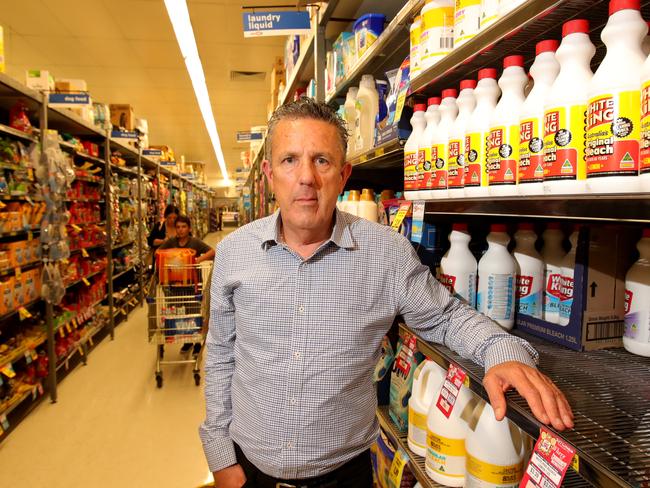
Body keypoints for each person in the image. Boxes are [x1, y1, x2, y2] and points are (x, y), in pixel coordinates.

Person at [200, 98, 574, 488]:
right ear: (269, 173)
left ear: (343, 175)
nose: (306, 177)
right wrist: (222, 460)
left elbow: (446, 316)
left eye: (322, 161)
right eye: (290, 160)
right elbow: (221, 358)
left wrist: (501, 353)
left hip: (344, 477)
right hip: (247, 470)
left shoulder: (386, 253)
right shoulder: (233, 252)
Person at [158, 215, 215, 354]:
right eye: (178, 227)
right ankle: (186, 340)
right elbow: (157, 253)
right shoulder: (171, 242)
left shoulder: (194, 242)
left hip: (192, 285)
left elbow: (213, 251)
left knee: (193, 311)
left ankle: (195, 341)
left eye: (184, 227)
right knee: (179, 312)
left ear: (189, 228)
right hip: (175, 286)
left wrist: (198, 259)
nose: (181, 230)